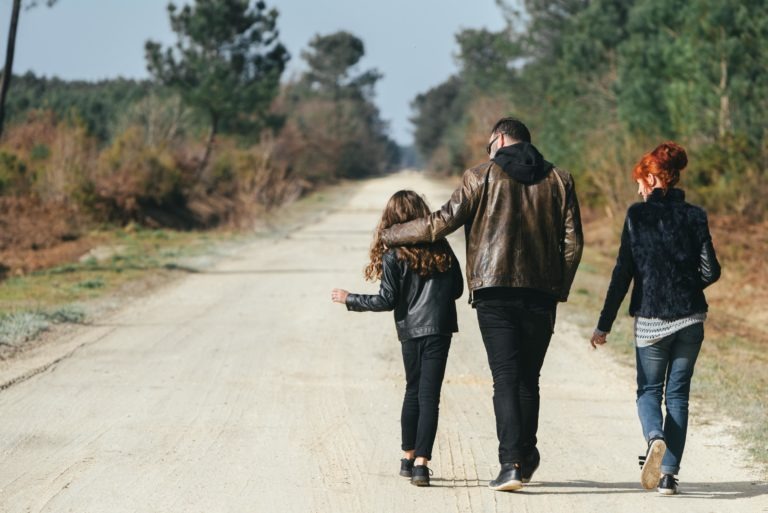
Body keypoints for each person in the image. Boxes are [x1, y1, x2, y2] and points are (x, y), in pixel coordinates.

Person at [380, 118, 583, 492]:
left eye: (489, 144)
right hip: (541, 293)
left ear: (501, 139)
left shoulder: (480, 176)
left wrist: (392, 234)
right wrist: (558, 288)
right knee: (528, 379)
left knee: (505, 378)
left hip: (493, 290)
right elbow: (572, 245)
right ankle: (527, 450)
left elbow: (440, 223)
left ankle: (511, 465)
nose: (488, 151)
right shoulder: (560, 179)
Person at [590, 142, 721, 495]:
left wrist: (604, 324)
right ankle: (668, 476)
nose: (637, 188)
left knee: (649, 390)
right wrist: (687, 284)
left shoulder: (637, 216)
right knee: (677, 396)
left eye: (640, 181)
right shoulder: (695, 215)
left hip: (651, 320)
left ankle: (654, 438)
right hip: (691, 317)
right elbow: (711, 270)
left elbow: (622, 275)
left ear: (652, 178)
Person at [331, 190, 463, 487]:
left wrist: (350, 298)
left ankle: (407, 457)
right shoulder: (441, 246)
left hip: (411, 331)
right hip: (440, 328)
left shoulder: (392, 255)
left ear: (391, 218)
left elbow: (387, 300)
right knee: (430, 396)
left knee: (412, 391)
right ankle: (421, 465)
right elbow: (457, 289)